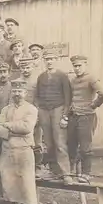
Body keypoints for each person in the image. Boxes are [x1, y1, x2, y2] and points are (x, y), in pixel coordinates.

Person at [0, 79, 39, 204]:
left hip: (24, 151)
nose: (17, 94)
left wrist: (8, 126)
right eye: (14, 91)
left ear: (25, 93)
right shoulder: (6, 109)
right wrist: (12, 131)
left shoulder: (31, 109)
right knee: (8, 183)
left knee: (26, 184)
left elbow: (26, 127)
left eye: (20, 91)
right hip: (7, 151)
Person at [68, 55, 103, 183]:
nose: (77, 68)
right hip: (74, 116)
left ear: (85, 64)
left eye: (79, 65)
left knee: (85, 146)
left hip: (86, 117)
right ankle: (71, 171)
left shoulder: (91, 78)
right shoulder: (73, 80)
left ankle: (86, 173)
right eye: (75, 66)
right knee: (71, 145)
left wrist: (93, 105)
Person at [35, 52, 72, 184]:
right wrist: (39, 110)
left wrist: (65, 116)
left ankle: (66, 173)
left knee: (60, 142)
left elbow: (68, 98)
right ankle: (53, 171)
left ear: (56, 59)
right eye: (47, 59)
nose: (49, 61)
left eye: (51, 59)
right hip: (44, 110)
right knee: (49, 143)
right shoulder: (41, 77)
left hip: (58, 109)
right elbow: (37, 96)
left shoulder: (62, 76)